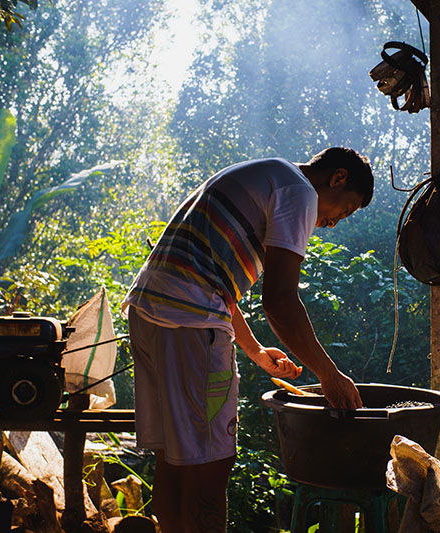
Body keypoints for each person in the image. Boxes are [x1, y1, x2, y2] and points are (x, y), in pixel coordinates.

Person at [121, 147, 374, 532]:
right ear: (338, 178)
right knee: (211, 465)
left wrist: (254, 350)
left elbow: (212, 279)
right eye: (347, 208)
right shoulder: (299, 190)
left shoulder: (267, 174)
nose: (335, 222)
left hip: (150, 311)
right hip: (189, 322)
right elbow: (279, 299)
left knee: (176, 459)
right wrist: (329, 375)